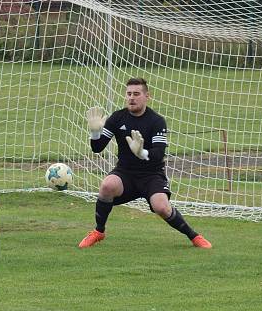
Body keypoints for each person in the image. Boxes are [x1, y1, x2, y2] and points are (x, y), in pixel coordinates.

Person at [78, 77, 212, 249]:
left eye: (136, 94)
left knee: (162, 207)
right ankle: (98, 232)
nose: (131, 97)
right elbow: (97, 148)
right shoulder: (117, 118)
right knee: (107, 185)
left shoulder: (156, 121)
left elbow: (158, 154)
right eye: (128, 94)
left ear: (147, 96)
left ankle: (194, 236)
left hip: (151, 175)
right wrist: (95, 133)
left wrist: (141, 152)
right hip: (125, 173)